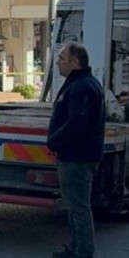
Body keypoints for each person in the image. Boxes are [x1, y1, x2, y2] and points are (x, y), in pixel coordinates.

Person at [47, 42, 105, 258]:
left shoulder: (82, 86)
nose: (58, 62)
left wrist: (54, 141)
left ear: (75, 62)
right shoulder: (79, 84)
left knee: (79, 207)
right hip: (73, 155)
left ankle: (84, 252)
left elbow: (76, 122)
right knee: (72, 205)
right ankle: (75, 248)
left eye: (62, 58)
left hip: (77, 157)